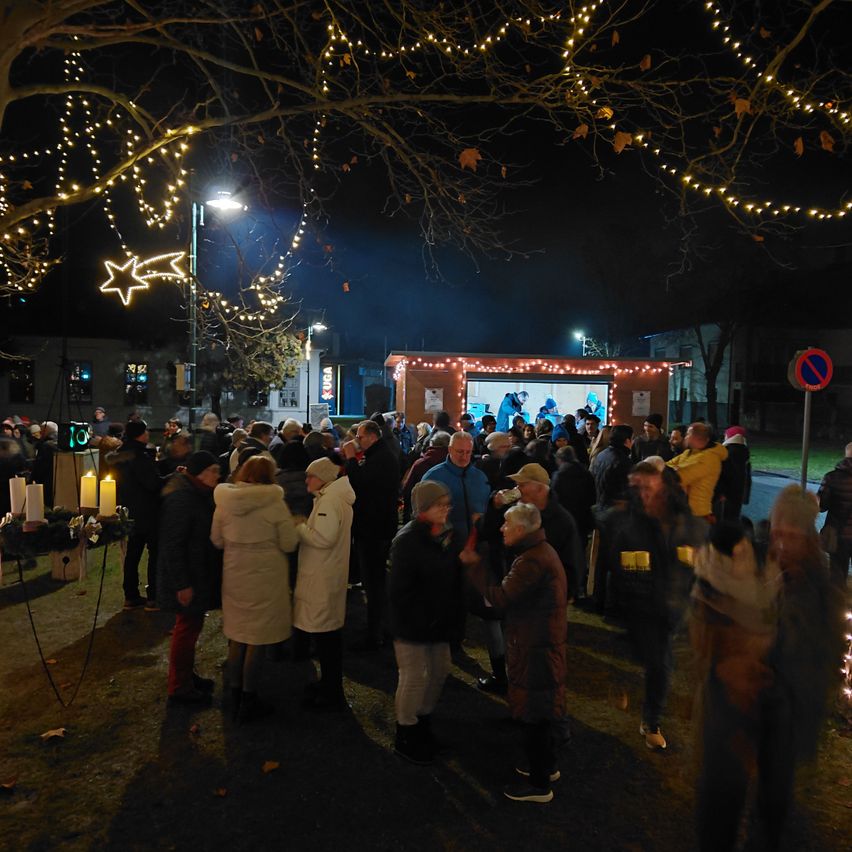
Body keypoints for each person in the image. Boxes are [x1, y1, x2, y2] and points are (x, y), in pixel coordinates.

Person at [462, 503, 568, 804]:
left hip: (536, 648)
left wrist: (474, 567)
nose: (501, 528)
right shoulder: (539, 552)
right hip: (540, 642)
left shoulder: (531, 562)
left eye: (506, 523)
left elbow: (500, 599)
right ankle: (544, 768)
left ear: (521, 529)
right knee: (540, 708)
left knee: (535, 712)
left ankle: (539, 786)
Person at [597, 462, 706, 749]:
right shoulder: (630, 524)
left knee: (660, 664)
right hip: (640, 606)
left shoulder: (685, 524)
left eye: (649, 488)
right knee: (650, 659)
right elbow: (616, 566)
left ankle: (651, 719)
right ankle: (639, 705)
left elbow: (694, 565)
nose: (644, 494)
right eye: (639, 488)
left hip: (671, 608)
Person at [211, 455, 298, 723]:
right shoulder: (275, 504)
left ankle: (234, 692)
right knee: (257, 640)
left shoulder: (224, 503)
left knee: (238, 635)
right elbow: (288, 543)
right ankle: (249, 698)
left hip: (236, 573)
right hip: (266, 578)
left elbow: (216, 539)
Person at [388, 481, 462, 764]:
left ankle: (423, 722)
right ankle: (406, 733)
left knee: (440, 669)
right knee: (413, 677)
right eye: (439, 504)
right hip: (413, 622)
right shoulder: (407, 540)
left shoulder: (444, 534)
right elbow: (400, 591)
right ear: (423, 508)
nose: (445, 509)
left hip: (437, 619)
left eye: (447, 503)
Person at [156, 451, 223, 705]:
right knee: (186, 630)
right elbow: (174, 545)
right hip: (186, 577)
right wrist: (182, 584)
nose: (218, 475)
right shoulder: (182, 498)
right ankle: (179, 687)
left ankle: (185, 677)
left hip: (195, 572)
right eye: (214, 470)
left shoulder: (195, 493)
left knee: (191, 628)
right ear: (200, 473)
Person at [293, 457, 356, 712]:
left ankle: (331, 691)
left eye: (311, 476)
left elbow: (323, 537)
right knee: (327, 637)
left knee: (326, 639)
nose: (306, 480)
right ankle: (329, 686)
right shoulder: (331, 498)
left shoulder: (329, 501)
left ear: (323, 478)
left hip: (322, 577)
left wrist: (299, 528)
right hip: (327, 575)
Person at [342, 419, 400, 650]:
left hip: (373, 529)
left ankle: (376, 633)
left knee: (373, 581)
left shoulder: (381, 458)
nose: (357, 441)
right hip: (377, 526)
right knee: (375, 581)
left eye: (360, 437)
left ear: (372, 437)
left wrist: (350, 458)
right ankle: (380, 628)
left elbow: (359, 483)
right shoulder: (381, 454)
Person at [106, 420, 163, 609]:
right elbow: (152, 484)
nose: (148, 433)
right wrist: (171, 478)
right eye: (146, 430)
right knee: (154, 553)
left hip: (129, 509)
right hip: (147, 511)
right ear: (140, 433)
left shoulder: (121, 454)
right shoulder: (139, 456)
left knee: (133, 553)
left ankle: (130, 595)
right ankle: (153, 596)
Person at [422, 431, 490, 541]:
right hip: (444, 544)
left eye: (468, 452)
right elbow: (422, 515)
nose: (464, 457)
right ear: (449, 449)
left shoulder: (480, 477)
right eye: (460, 452)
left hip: (476, 543)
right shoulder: (433, 477)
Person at [667, 422, 728, 519]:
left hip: (697, 514)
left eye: (688, 434)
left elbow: (679, 478)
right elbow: (667, 465)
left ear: (696, 437)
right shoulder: (689, 453)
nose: (686, 437)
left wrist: (676, 469)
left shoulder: (708, 458)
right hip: (685, 510)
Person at [817, 441, 852, 589]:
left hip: (838, 535)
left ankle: (837, 608)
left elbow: (821, 506)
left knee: (837, 577)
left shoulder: (831, 478)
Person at [551, 445, 596, 542]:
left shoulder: (558, 476)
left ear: (559, 459)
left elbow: (554, 499)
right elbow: (593, 497)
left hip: (564, 519)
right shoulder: (586, 473)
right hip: (583, 518)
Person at [402, 430, 450, 522]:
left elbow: (408, 489)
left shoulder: (419, 464)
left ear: (431, 444)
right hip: (448, 513)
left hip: (424, 513)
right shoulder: (454, 464)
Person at [589, 424, 634, 509]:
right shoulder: (622, 461)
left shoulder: (601, 455)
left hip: (599, 505)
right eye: (632, 439)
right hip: (613, 510)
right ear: (627, 441)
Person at [714, 425, 752, 522]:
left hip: (725, 495)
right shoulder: (745, 453)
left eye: (726, 435)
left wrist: (720, 492)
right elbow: (747, 478)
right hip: (738, 494)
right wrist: (745, 497)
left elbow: (723, 474)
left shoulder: (726, 452)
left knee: (723, 520)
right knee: (733, 519)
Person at [31, 421, 58, 506]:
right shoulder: (61, 443)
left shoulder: (46, 446)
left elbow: (40, 467)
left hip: (46, 483)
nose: (40, 433)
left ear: (46, 430)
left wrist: (31, 479)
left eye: (41, 431)